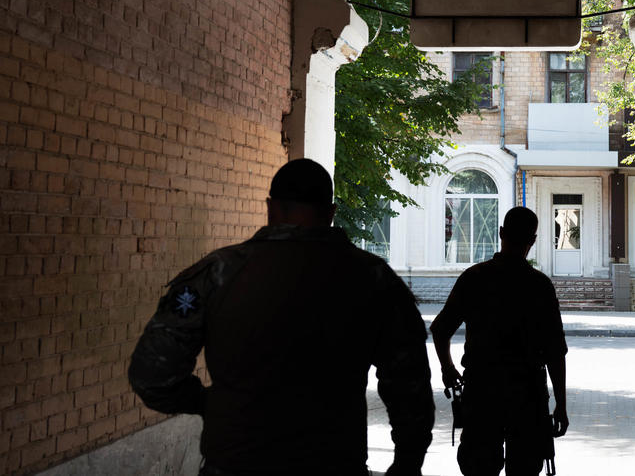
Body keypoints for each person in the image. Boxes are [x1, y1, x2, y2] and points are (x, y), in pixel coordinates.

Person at [128, 158, 433, 476]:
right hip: (333, 463)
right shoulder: (374, 279)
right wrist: (407, 463)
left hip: (236, 462)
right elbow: (409, 385)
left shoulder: (218, 274)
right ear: (330, 213)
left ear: (270, 207)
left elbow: (151, 375)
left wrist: (211, 403)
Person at [430, 207, 568, 476]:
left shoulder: (475, 279)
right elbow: (555, 353)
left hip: (483, 394)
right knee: (525, 469)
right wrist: (560, 406)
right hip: (527, 397)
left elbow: (440, 330)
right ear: (534, 239)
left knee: (479, 467)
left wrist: (448, 370)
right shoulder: (539, 287)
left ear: (501, 233)